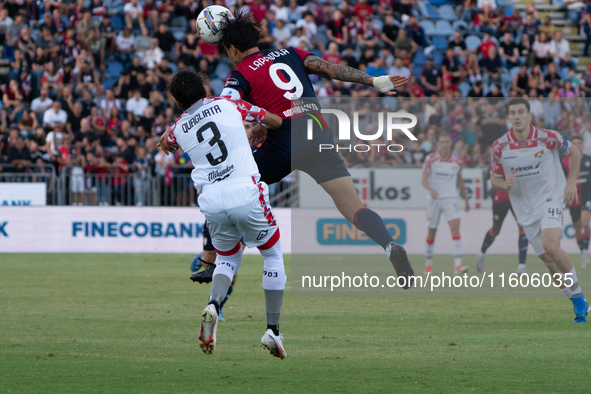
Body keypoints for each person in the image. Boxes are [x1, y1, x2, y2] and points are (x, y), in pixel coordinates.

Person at [159, 12, 414, 288]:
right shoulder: (290, 52)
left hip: (285, 140)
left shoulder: (240, 73)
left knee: (226, 184)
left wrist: (252, 124)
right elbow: (329, 68)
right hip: (318, 133)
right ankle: (389, 245)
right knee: (354, 208)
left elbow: (224, 107)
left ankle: (211, 262)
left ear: (232, 49)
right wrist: (373, 81)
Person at [159, 70, 287, 358]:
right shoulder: (229, 104)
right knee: (272, 254)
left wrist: (165, 138)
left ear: (177, 101)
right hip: (245, 190)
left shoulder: (178, 127)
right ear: (204, 89)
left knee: (227, 259)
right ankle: (273, 330)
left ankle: (214, 305)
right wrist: (258, 126)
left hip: (212, 200)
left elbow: (168, 138)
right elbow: (276, 120)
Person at [491, 98, 589, 323]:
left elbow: (574, 153)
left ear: (529, 116)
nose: (516, 116)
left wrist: (571, 182)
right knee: (548, 260)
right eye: (512, 113)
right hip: (525, 208)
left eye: (520, 112)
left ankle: (579, 295)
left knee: (551, 246)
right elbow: (494, 178)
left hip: (551, 198)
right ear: (509, 117)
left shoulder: (548, 137)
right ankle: (576, 298)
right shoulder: (500, 146)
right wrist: (504, 184)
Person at [421, 132, 470, 275]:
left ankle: (457, 265)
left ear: (451, 143)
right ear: (439, 144)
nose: (445, 145)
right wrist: (430, 190)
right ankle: (428, 265)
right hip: (434, 200)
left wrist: (466, 200)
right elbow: (423, 179)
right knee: (432, 232)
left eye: (447, 142)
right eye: (442, 142)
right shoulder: (431, 159)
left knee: (455, 230)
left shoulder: (457, 160)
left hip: (450, 199)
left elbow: (460, 181)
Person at [476, 188, 530, 276]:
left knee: (523, 228)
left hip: (516, 196)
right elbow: (487, 175)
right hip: (501, 196)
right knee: (496, 230)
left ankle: (521, 266)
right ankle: (481, 254)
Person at [568, 136, 591, 268]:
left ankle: (586, 251)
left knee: (585, 222)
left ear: (583, 145)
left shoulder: (588, 160)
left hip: (587, 197)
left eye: (579, 143)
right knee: (577, 228)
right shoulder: (566, 161)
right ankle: (583, 252)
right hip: (573, 199)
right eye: (574, 143)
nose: (577, 145)